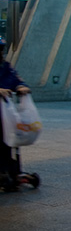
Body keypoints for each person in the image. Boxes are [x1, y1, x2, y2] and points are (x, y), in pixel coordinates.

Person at [0, 37, 34, 192]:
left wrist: (21, 86)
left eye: (1, 49)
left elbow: (15, 79)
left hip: (5, 113)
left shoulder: (6, 66)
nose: (0, 53)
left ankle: (13, 171)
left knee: (10, 141)